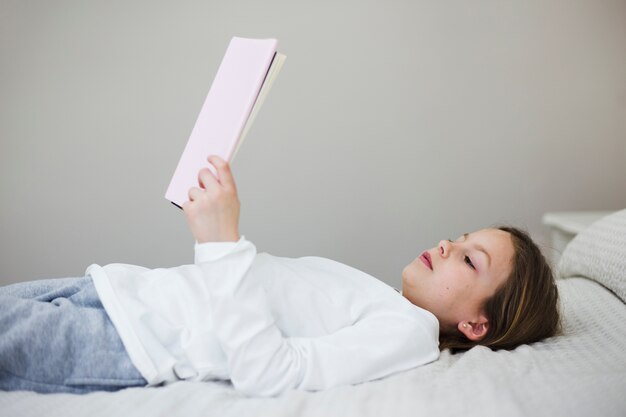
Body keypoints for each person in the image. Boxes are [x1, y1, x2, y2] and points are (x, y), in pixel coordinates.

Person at [0, 156, 560, 397]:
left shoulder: (407, 334)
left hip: (132, 342)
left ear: (477, 326)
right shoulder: (383, 299)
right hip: (116, 291)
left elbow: (270, 373)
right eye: (460, 236)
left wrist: (221, 241)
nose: (448, 243)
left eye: (469, 259)